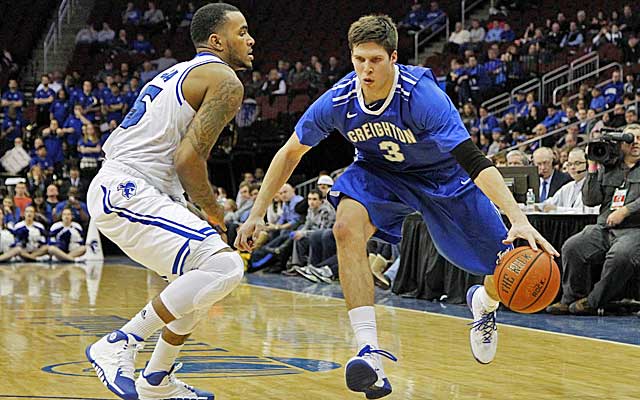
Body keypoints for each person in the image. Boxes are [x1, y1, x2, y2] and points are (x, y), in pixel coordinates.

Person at [236, 15, 557, 399]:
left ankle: (484, 303)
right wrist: (256, 213)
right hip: (379, 174)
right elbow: (290, 152)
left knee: (506, 263)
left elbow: (473, 161)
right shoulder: (340, 100)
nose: (366, 69)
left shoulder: (422, 96)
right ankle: (369, 353)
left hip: (442, 177)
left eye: (375, 60)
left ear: (393, 57)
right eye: (359, 60)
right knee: (344, 228)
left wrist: (518, 219)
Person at [84, 4, 253, 400]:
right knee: (224, 265)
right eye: (242, 32)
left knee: (195, 285)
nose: (250, 39)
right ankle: (119, 342)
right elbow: (188, 160)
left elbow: (172, 158)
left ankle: (157, 379)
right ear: (217, 41)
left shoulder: (176, 72)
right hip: (128, 187)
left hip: (134, 189)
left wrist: (193, 208)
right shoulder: (225, 80)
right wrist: (213, 210)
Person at [546, 124, 640, 315]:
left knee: (621, 256)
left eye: (639, 138)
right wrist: (593, 167)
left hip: (634, 229)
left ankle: (593, 301)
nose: (636, 142)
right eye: (631, 138)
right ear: (621, 143)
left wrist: (626, 210)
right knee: (572, 246)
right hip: (604, 228)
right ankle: (571, 298)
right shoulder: (609, 166)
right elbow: (590, 200)